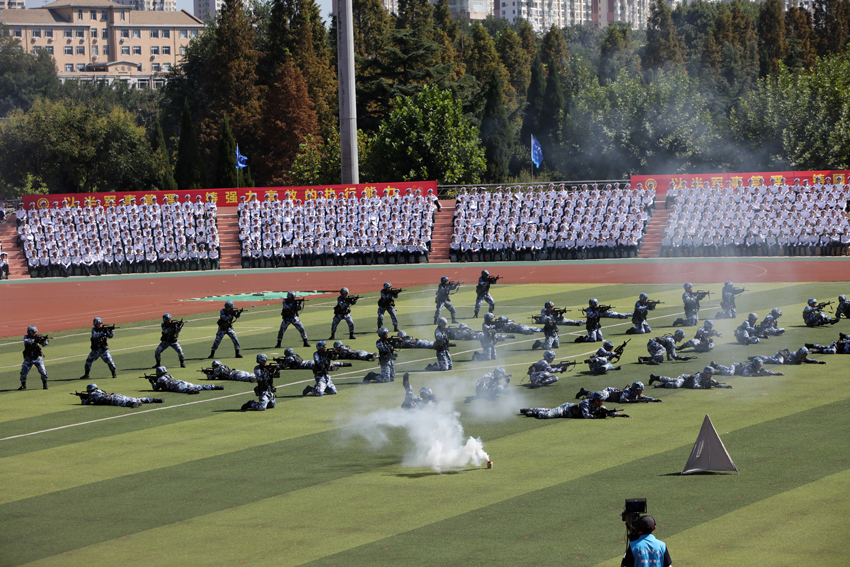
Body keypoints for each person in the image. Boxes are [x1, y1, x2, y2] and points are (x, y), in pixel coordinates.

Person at [520, 391, 630, 419]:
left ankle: (531, 409)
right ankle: (534, 412)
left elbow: (608, 412)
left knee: (550, 411)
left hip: (568, 413)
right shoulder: (586, 403)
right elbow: (586, 416)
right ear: (596, 400)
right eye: (601, 401)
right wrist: (598, 416)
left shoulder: (600, 407)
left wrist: (621, 415)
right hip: (565, 409)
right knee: (546, 415)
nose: (603, 402)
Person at [77, 383, 163, 409]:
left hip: (112, 399)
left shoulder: (92, 394)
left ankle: (133, 404)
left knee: (124, 403)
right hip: (115, 396)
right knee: (135, 398)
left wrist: (82, 399)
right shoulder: (100, 391)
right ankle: (153, 400)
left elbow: (86, 402)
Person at [147, 366, 224, 394]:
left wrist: (152, 383)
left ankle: (192, 391)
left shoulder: (160, 379)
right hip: (180, 381)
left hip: (176, 385)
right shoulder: (169, 375)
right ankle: (215, 387)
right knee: (198, 386)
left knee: (186, 390)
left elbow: (156, 389)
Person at [19, 325, 49, 390]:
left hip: (37, 358)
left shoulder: (37, 337)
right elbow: (27, 341)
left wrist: (43, 340)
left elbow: (45, 344)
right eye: (34, 332)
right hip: (28, 358)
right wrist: (36, 340)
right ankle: (23, 385)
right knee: (23, 372)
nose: (35, 333)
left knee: (43, 372)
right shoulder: (26, 337)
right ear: (30, 333)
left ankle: (45, 385)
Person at [649, 366, 732, 389]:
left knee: (671, 379)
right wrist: (704, 387)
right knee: (677, 384)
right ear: (705, 373)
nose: (711, 376)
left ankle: (655, 377)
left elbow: (716, 384)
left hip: (686, 383)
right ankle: (661, 385)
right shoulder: (699, 376)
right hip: (685, 378)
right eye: (709, 374)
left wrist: (725, 386)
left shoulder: (709, 379)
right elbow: (695, 386)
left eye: (711, 375)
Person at [576, 381, 662, 403]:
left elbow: (645, 397)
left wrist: (654, 400)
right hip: (610, 392)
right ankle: (585, 394)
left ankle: (584, 392)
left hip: (614, 393)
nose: (641, 391)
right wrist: (635, 401)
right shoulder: (628, 392)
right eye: (640, 390)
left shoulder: (636, 393)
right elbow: (622, 400)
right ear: (636, 389)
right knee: (600, 396)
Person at [708, 357, 783, 377]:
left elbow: (765, 371)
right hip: (735, 366)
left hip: (737, 369)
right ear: (754, 364)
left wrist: (775, 373)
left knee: (727, 369)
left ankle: (715, 365)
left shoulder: (758, 368)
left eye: (760, 365)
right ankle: (715, 371)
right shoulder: (750, 367)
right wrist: (756, 375)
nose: (759, 367)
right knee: (730, 372)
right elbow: (745, 374)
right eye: (758, 365)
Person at [760, 345, 827, 364]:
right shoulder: (793, 354)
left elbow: (808, 360)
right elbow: (788, 361)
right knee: (778, 361)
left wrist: (819, 362)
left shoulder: (801, 357)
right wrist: (796, 362)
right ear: (800, 354)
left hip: (784, 358)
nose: (805, 357)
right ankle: (761, 359)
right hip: (781, 356)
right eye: (804, 355)